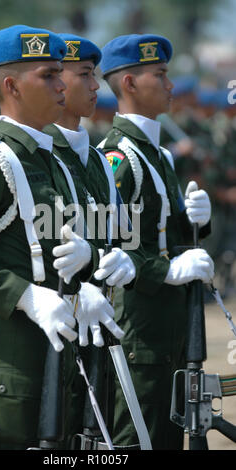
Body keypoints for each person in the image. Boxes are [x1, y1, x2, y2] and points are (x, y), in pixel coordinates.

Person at [0, 25, 125, 450]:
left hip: (70, 346)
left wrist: (97, 270)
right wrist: (25, 295)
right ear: (11, 86)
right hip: (14, 358)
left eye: (62, 73)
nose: (63, 84)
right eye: (48, 75)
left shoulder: (60, 163)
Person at [97, 33, 214, 450]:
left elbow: (161, 235)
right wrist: (169, 269)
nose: (169, 84)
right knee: (138, 439)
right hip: (140, 326)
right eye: (160, 74)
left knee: (167, 434)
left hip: (169, 321)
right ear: (129, 84)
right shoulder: (119, 158)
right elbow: (114, 247)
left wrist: (194, 222)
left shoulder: (157, 155)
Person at [44, 33, 146, 444]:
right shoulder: (39, 156)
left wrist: (123, 260)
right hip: (50, 337)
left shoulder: (99, 160)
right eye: (84, 74)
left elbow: (127, 236)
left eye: (94, 75)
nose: (95, 86)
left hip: (97, 331)